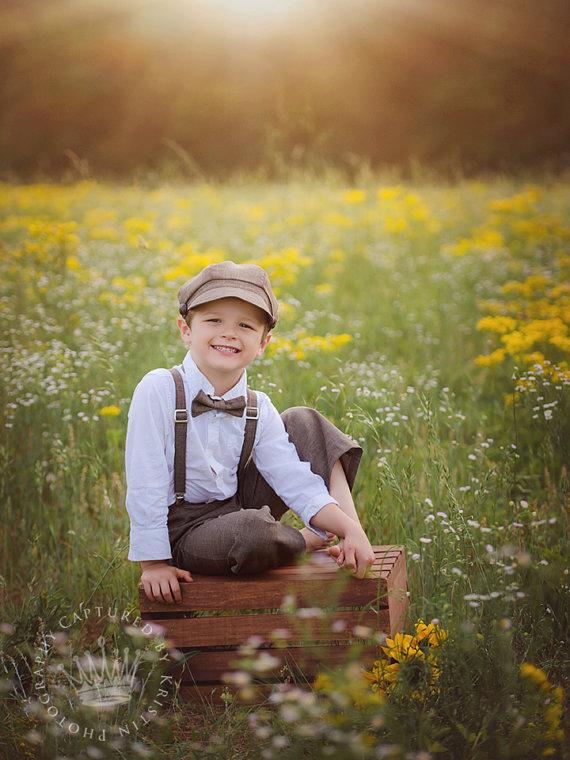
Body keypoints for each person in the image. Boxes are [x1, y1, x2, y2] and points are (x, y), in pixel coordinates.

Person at [125, 260, 376, 604]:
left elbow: (293, 480)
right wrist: (153, 563)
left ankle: (344, 528)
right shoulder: (160, 389)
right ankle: (302, 540)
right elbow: (146, 478)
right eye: (214, 320)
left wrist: (348, 529)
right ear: (186, 329)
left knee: (304, 420)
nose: (229, 333)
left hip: (237, 504)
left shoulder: (258, 406)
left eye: (245, 325)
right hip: (185, 531)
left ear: (263, 343)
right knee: (250, 530)